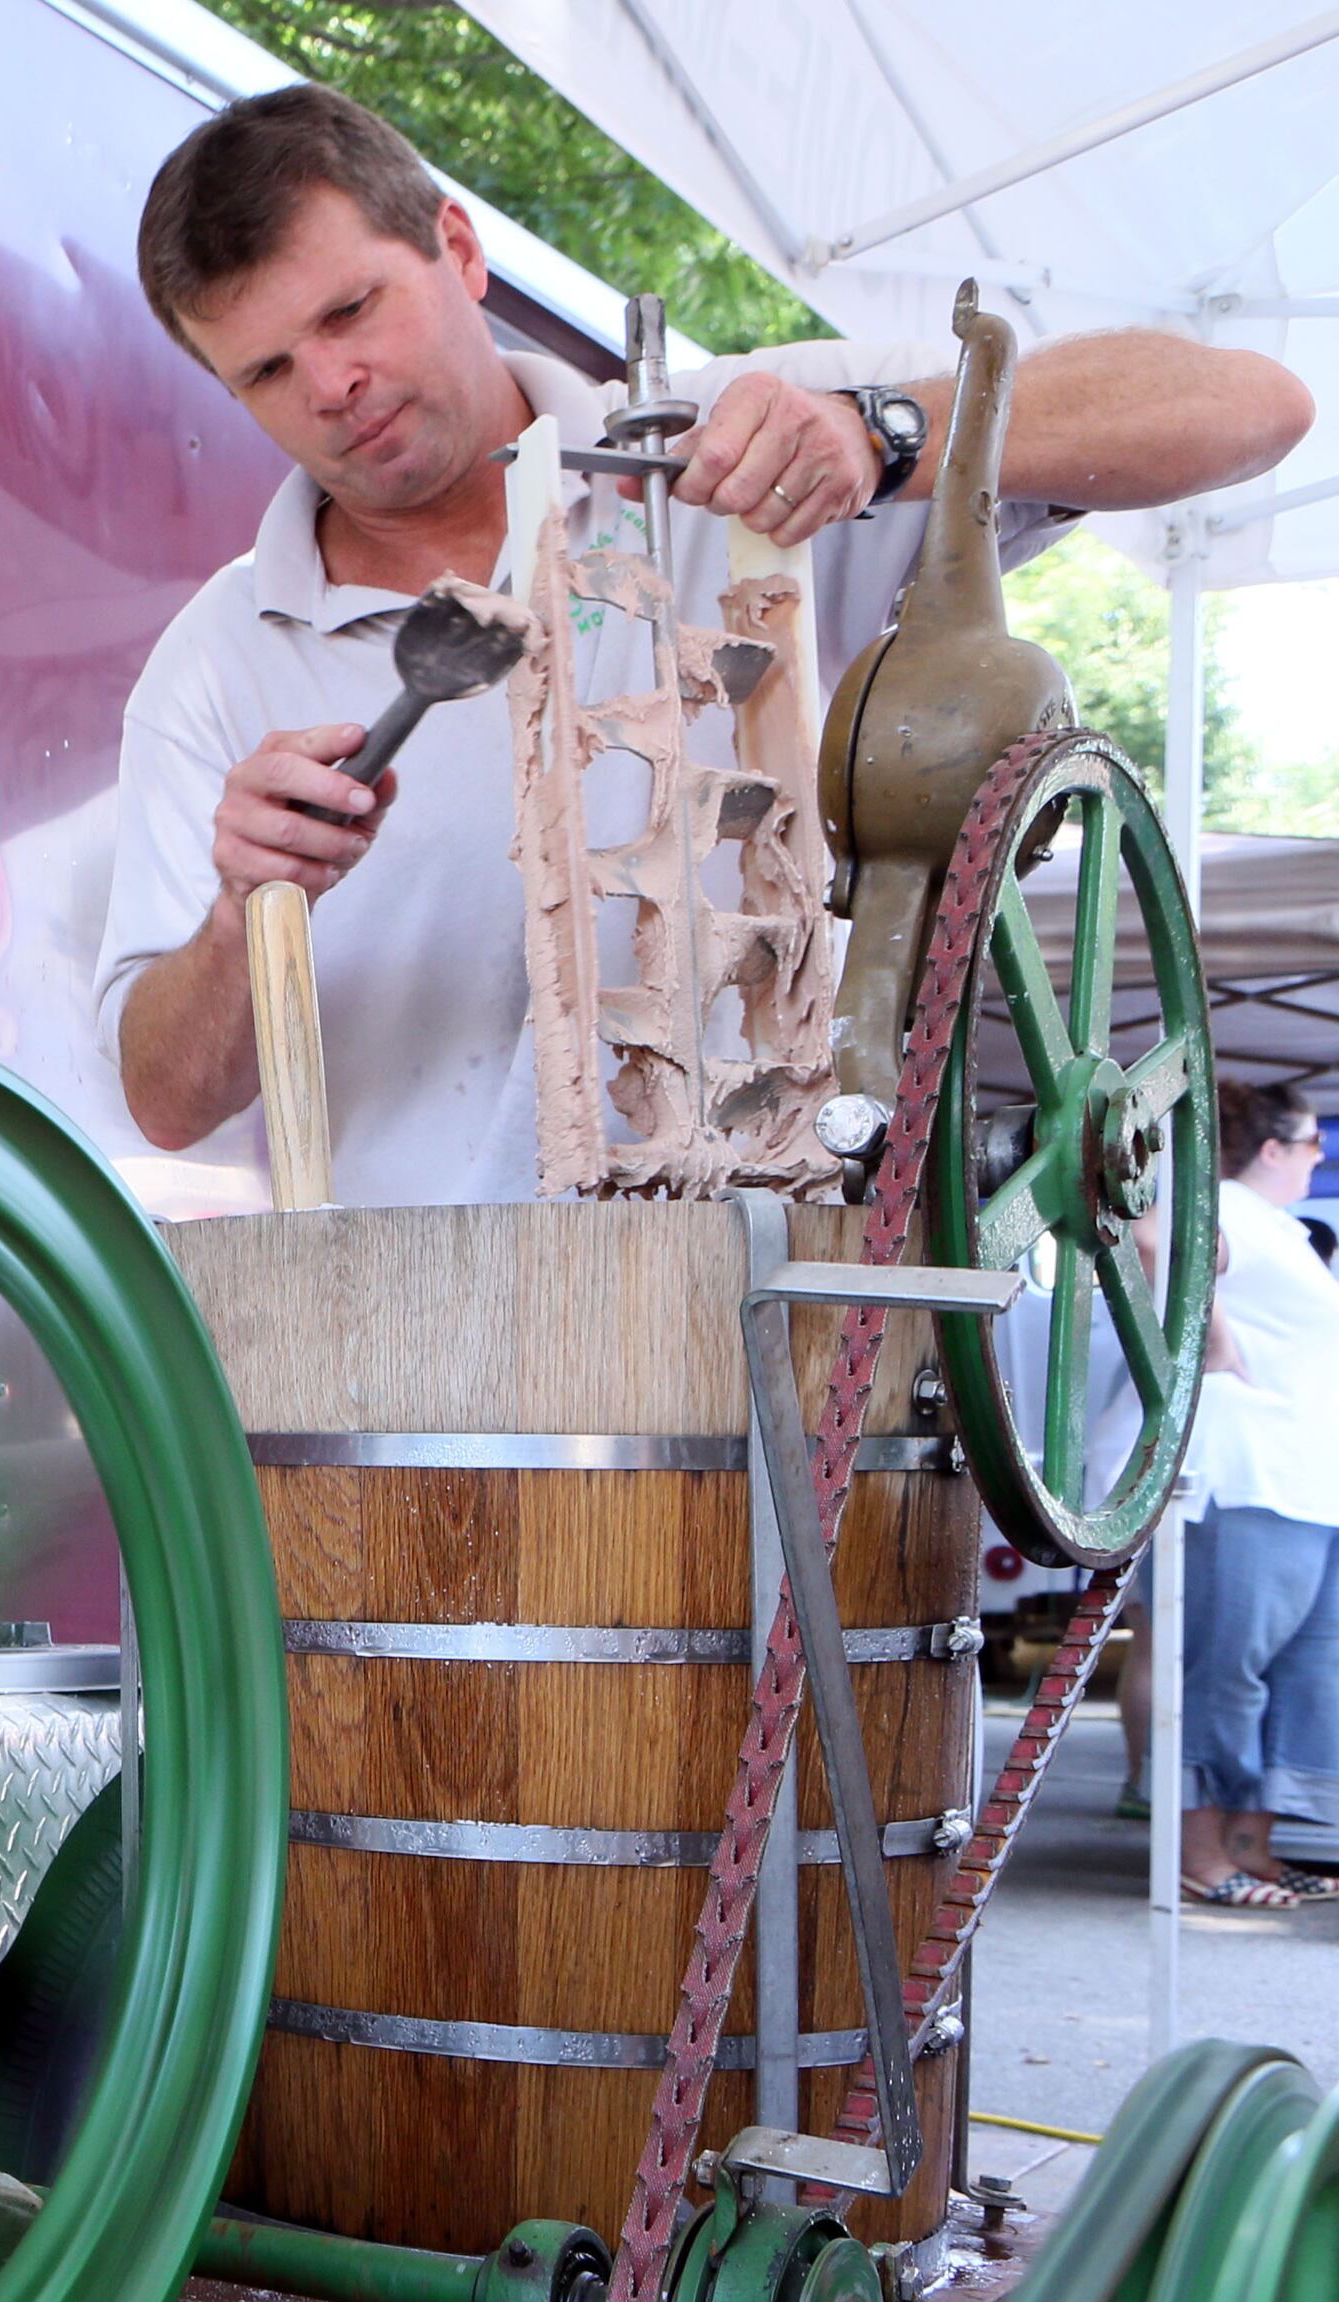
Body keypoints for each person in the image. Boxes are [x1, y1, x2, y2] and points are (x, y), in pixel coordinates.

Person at [98, 86, 1315, 1198]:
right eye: (266, 369)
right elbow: (161, 1098)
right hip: (425, 1377)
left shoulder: (734, 456)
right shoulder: (218, 660)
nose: (332, 383)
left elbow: (1251, 407)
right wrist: (240, 915)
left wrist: (881, 436)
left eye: (351, 308)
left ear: (457, 250)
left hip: (773, 1311)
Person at [1178, 1084, 1339, 1906]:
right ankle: (1203, 1856)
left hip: (1304, 1481)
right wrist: (1213, 1332)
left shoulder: (1276, 1227)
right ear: (1272, 1149)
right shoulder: (1231, 1206)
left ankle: (1253, 1847)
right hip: (1249, 1476)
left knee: (1302, 1672)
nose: (1321, 1154)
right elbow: (1157, 1238)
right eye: (1313, 1141)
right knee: (1228, 1671)